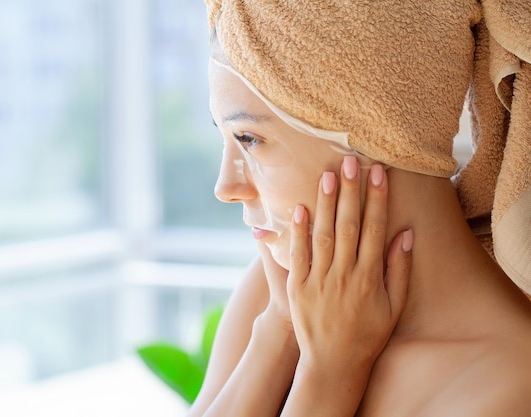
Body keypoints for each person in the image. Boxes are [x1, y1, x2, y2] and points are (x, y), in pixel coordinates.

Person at [188, 0, 531, 416]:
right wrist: (279, 335)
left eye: (249, 139)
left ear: (376, 137)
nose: (226, 187)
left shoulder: (508, 386)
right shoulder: (278, 292)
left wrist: (329, 375)